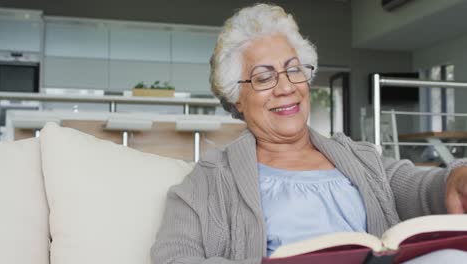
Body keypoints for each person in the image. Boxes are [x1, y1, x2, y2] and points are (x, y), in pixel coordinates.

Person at [152, 3, 467, 264]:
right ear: (238, 98)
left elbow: (420, 187)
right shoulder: (208, 182)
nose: (286, 87)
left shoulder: (360, 157)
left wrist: (456, 179)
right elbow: (174, 256)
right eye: (264, 78)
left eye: (294, 70)